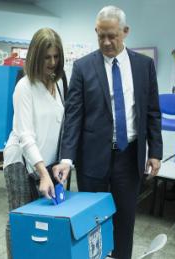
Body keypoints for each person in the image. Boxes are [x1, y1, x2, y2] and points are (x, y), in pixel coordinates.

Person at [53, 5, 162, 259]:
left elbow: (152, 111)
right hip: (92, 158)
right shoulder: (83, 67)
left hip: (129, 155)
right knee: (91, 222)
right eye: (100, 35)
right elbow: (73, 116)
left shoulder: (144, 66)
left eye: (112, 35)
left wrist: (155, 151)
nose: (106, 41)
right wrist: (67, 158)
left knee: (124, 221)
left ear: (125, 32)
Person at [3, 28, 65, 259]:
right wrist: (42, 173)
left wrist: (59, 165)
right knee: (19, 219)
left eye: (55, 56)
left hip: (46, 162)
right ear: (35, 56)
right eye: (46, 57)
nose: (51, 62)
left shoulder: (57, 85)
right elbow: (25, 135)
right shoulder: (25, 86)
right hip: (20, 161)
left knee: (42, 221)